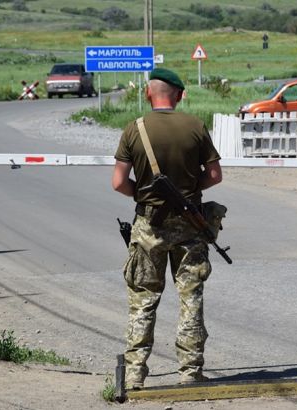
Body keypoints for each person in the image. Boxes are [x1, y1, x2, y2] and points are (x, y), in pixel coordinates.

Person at [112, 68, 223, 389]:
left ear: (148, 93)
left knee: (143, 299)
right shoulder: (195, 126)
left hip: (149, 226)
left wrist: (145, 195)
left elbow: (118, 182)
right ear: (180, 95)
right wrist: (188, 193)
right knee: (191, 298)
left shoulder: (134, 129)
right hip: (191, 224)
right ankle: (190, 372)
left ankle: (134, 374)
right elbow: (214, 176)